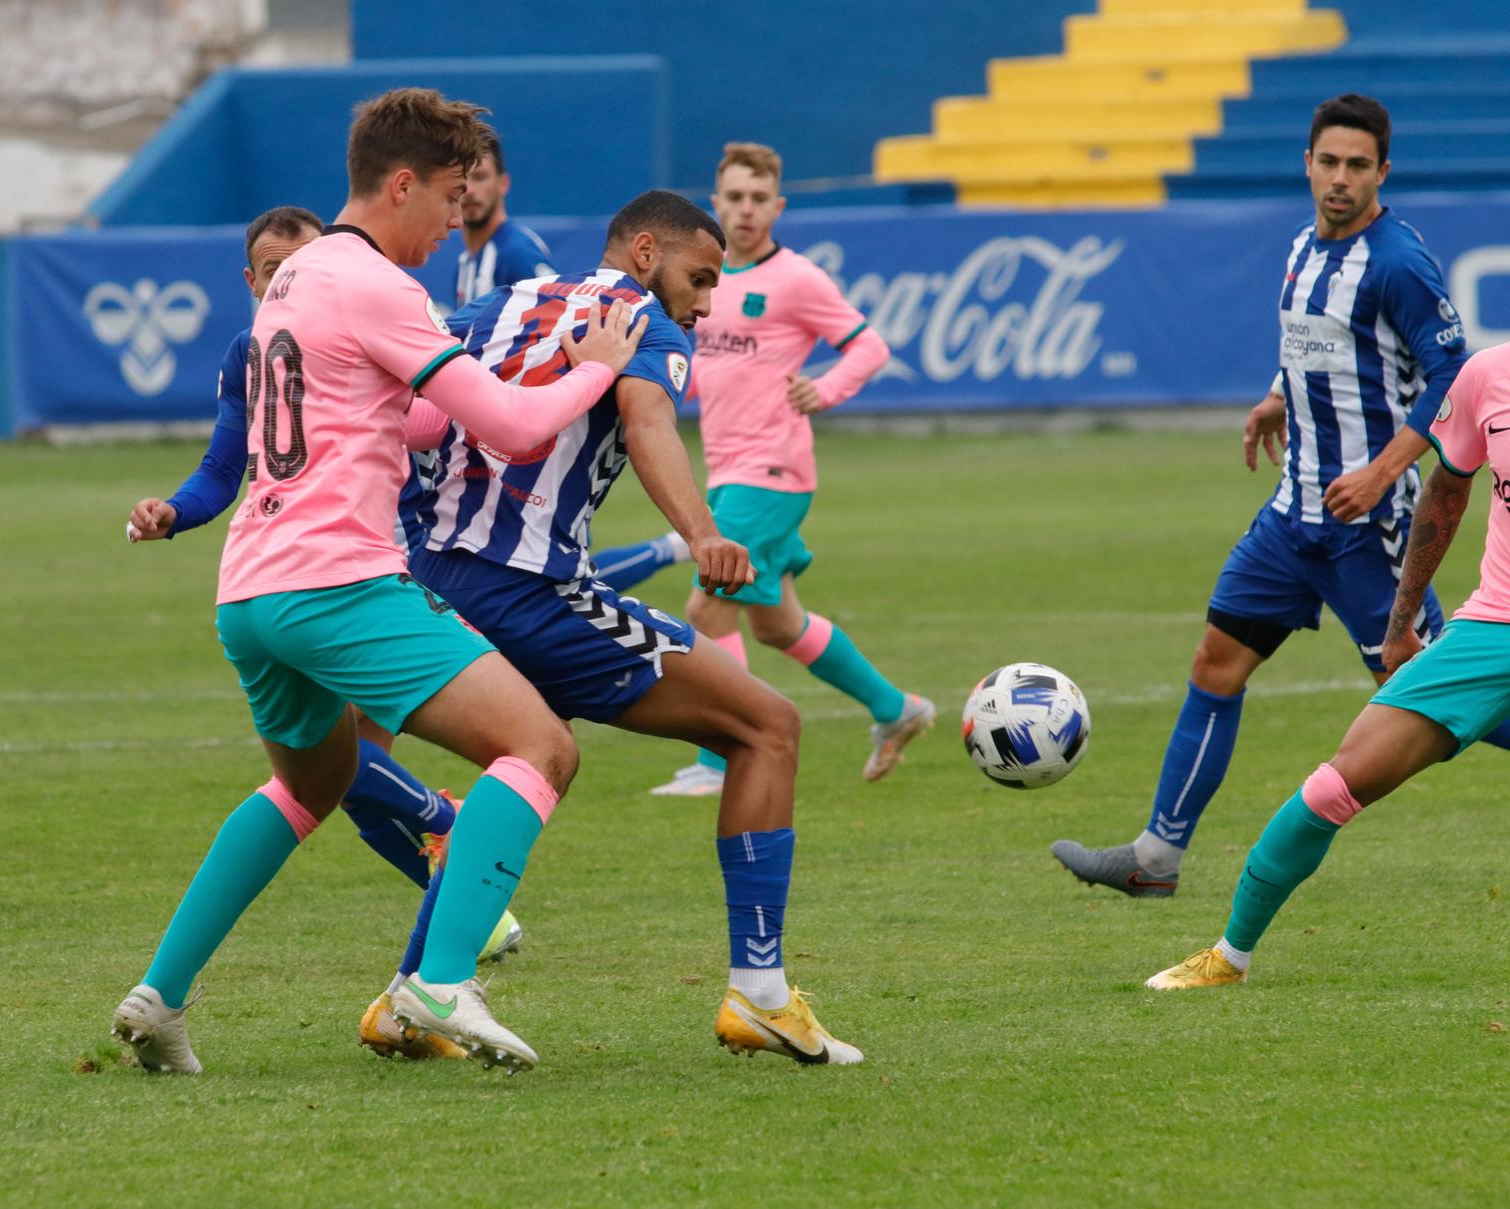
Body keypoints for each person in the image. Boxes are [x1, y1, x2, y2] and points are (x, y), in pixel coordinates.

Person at [108, 88, 647, 1075]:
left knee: (306, 784)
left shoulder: (298, 276)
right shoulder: (377, 286)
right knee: (538, 747)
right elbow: (517, 430)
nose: (453, 221)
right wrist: (593, 368)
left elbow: (418, 422)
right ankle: (438, 981)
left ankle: (160, 995)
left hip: (250, 594)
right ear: (400, 184)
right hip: (337, 585)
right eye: (447, 196)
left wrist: (444, 385)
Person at [1051, 95, 1510, 898]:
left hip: (1366, 524)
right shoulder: (1303, 246)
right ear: (1307, 163)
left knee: (1429, 688)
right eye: (1328, 162)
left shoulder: (1398, 261)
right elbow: (1318, 349)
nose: (1340, 178)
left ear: (1382, 173)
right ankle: (1155, 858)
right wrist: (1276, 396)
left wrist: (1379, 471)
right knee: (1216, 662)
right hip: (1291, 516)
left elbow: (1451, 378)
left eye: (1358, 165)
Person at [382, 188, 864, 1067]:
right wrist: (702, 532)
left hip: (428, 577)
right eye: (700, 276)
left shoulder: (503, 302)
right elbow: (648, 424)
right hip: (529, 588)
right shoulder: (640, 317)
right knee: (768, 727)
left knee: (518, 762)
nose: (706, 301)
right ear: (645, 252)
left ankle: (411, 996)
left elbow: (408, 406)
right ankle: (759, 994)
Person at [1149, 204, 1510, 989]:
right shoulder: (1488, 377)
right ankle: (1228, 957)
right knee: (1337, 782)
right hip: (1494, 623)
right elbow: (1444, 492)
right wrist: (1403, 623)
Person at [124, 205, 523, 1003]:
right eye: (271, 271)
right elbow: (221, 466)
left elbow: (425, 423)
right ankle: (444, 870)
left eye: (299, 263)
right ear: (253, 280)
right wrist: (174, 510)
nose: (289, 280)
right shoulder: (252, 352)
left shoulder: (350, 313)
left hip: (371, 560)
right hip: (341, 574)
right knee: (519, 747)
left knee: (328, 778)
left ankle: (439, 940)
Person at [603, 143, 923, 799]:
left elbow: (870, 345)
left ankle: (719, 762)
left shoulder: (796, 279)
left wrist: (826, 390)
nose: (746, 211)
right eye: (735, 198)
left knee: (706, 598)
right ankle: (897, 709)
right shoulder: (700, 280)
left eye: (758, 199)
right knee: (777, 624)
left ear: (776, 206)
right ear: (715, 204)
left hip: (772, 469)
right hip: (728, 470)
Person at [453, 132, 554, 308]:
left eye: (480, 177)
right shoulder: (465, 262)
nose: (469, 190)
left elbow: (557, 317)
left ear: (503, 184)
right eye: (460, 179)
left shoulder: (517, 254)